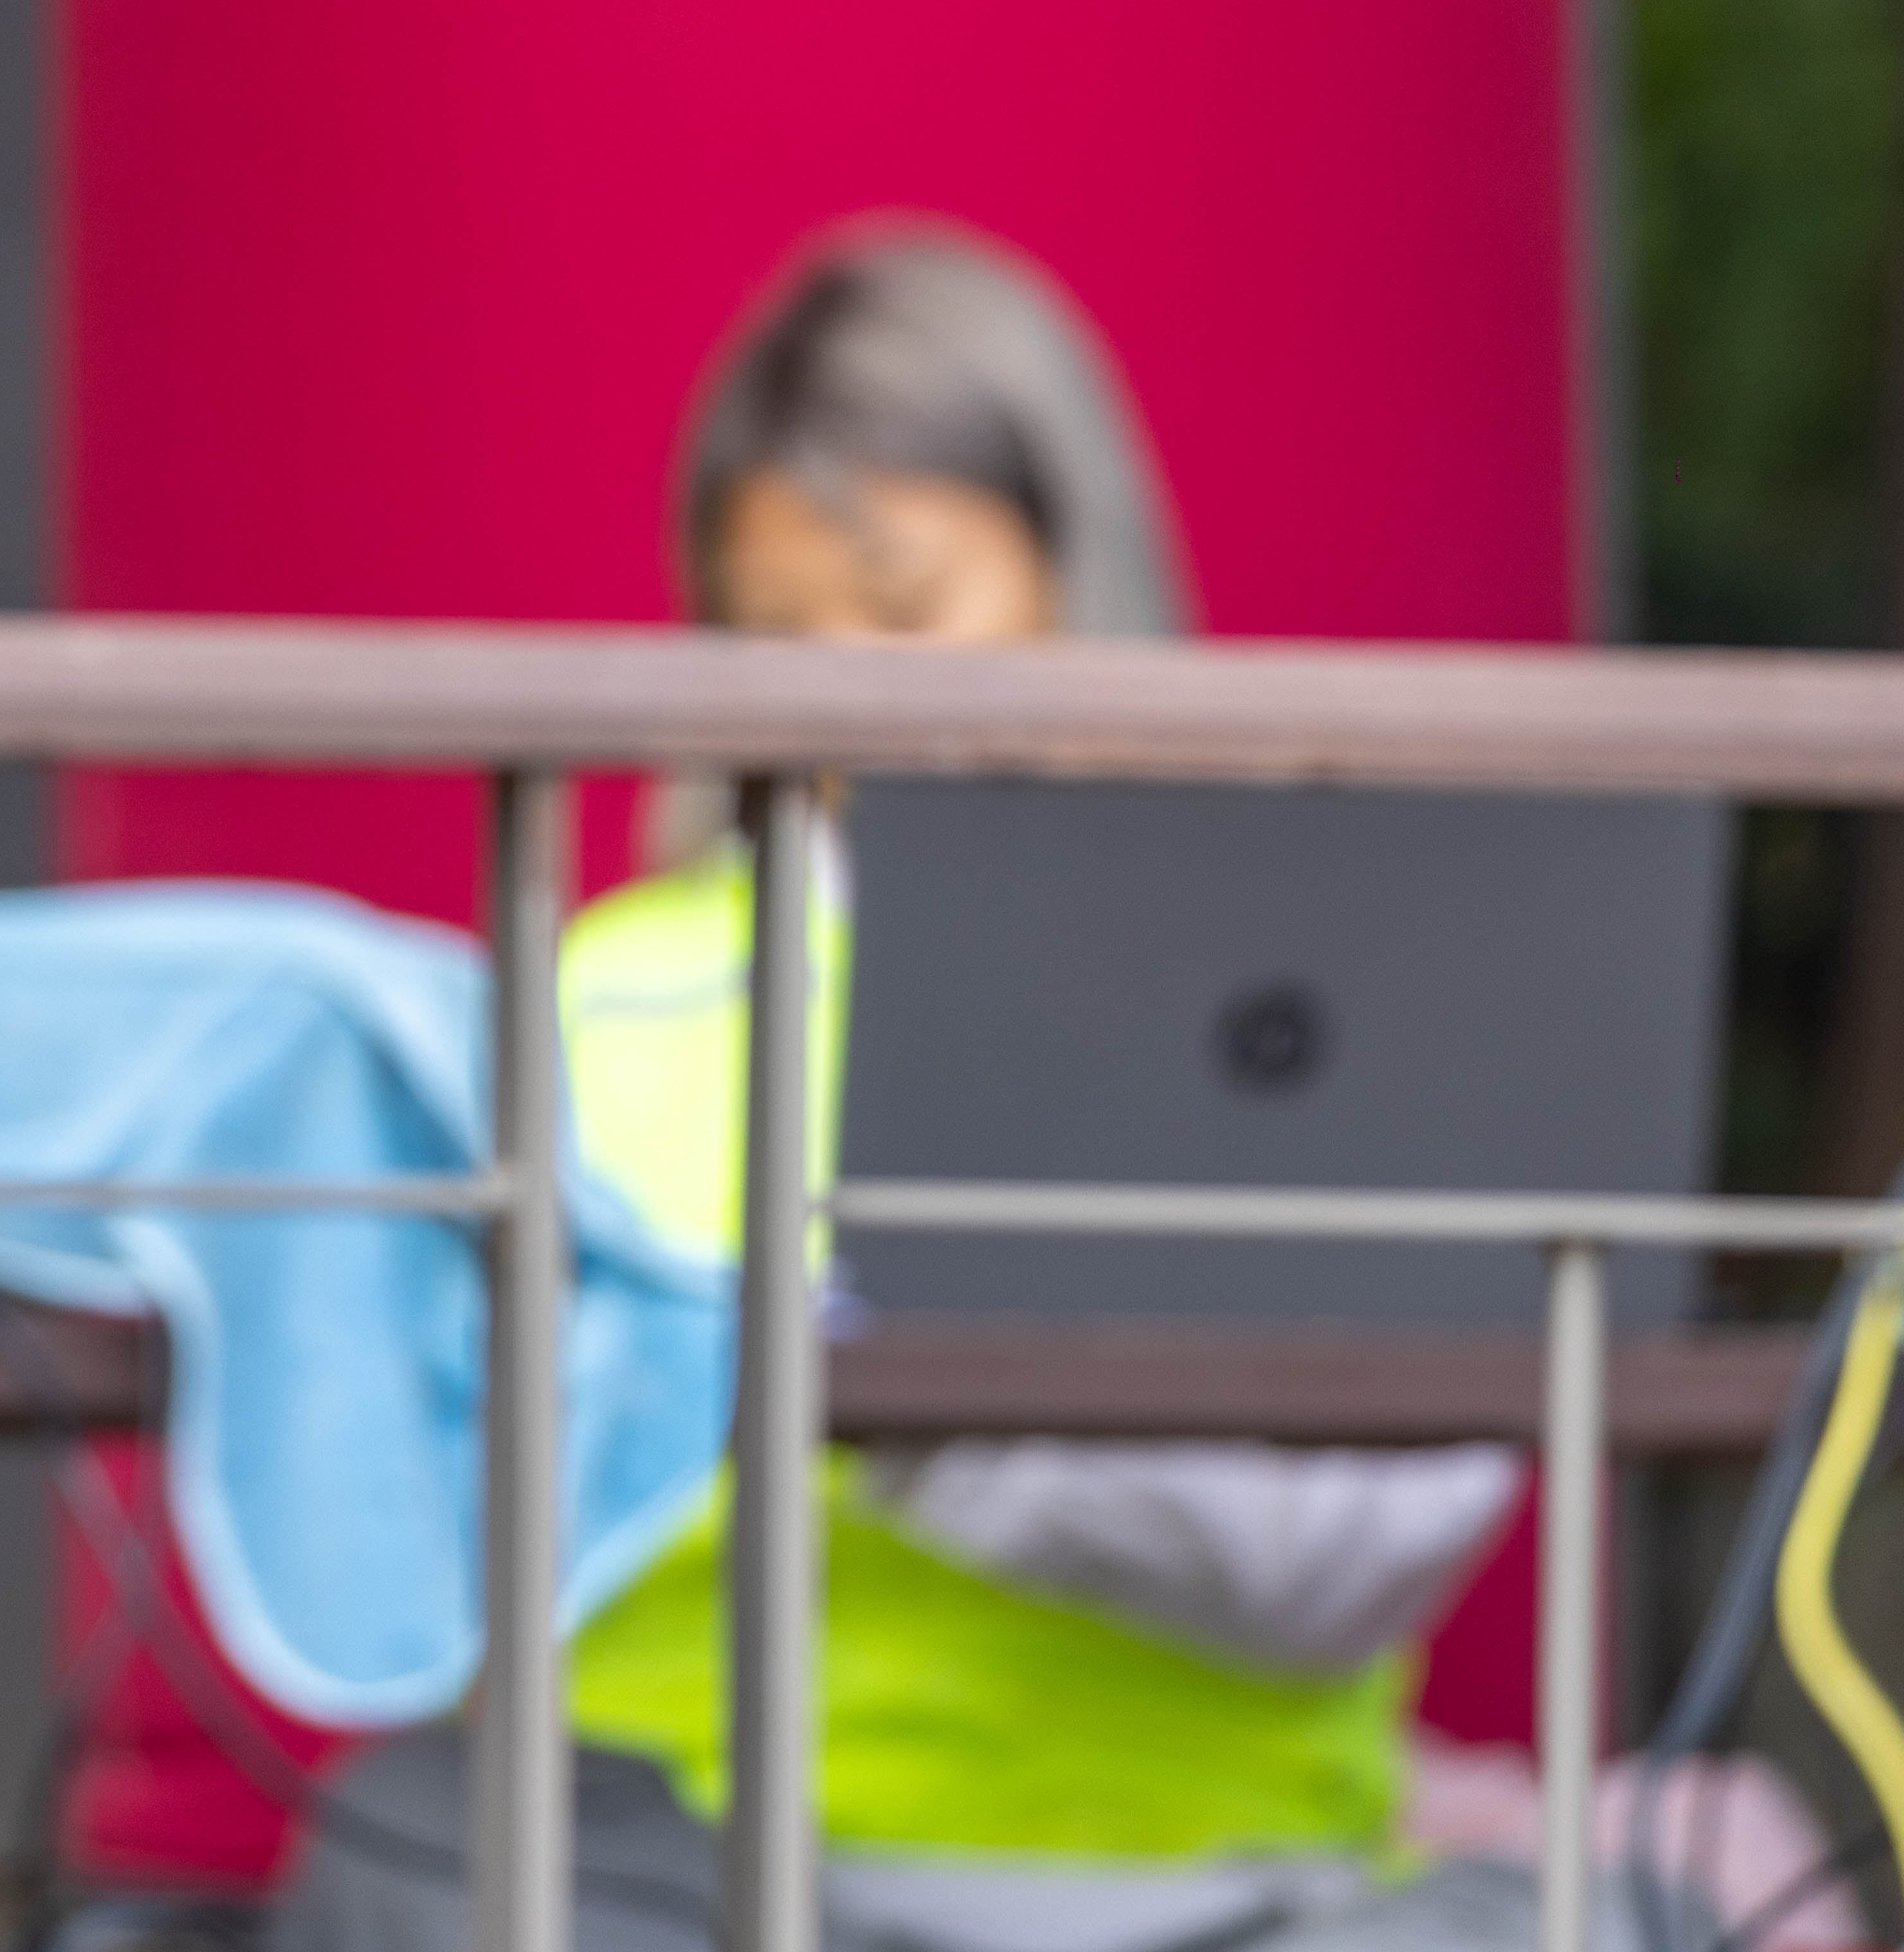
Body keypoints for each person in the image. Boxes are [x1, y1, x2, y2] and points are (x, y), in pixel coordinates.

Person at [280, 228, 1533, 1952]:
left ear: (1074, 568)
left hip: (1218, 1893)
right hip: (681, 1884)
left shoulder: (1296, 992)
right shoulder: (592, 996)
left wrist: (919, 1411)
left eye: (908, 608)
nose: (843, 694)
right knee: (405, 1838)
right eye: (776, 636)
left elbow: (1356, 1547)